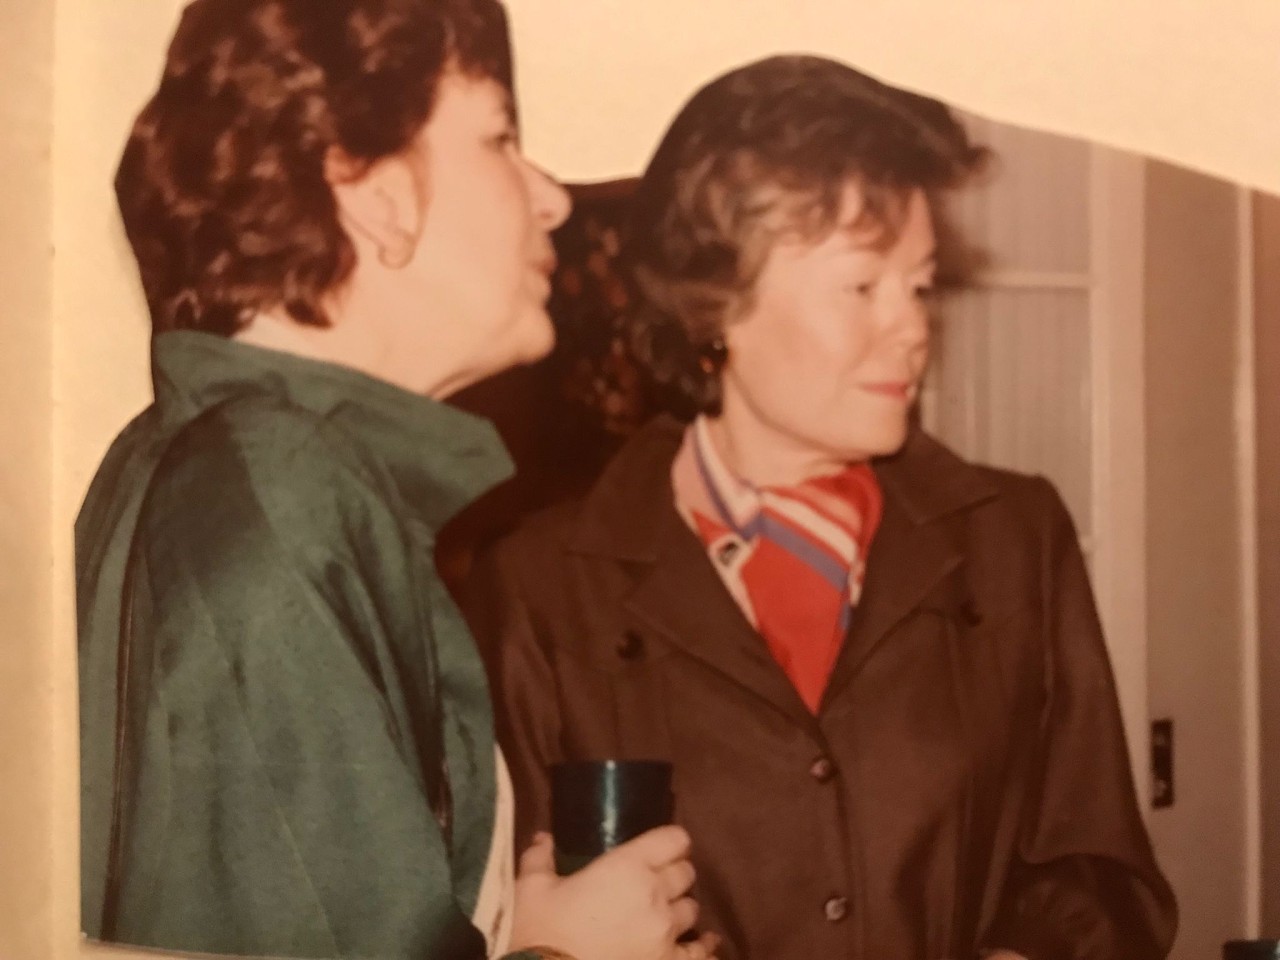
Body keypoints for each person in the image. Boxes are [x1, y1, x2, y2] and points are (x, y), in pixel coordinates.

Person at [465, 55, 1179, 960]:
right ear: (716, 302)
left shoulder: (1013, 539)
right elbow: (498, 916)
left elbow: (1103, 881)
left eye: (918, 286)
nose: (912, 328)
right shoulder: (542, 588)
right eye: (862, 287)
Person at [75, 1, 709, 958]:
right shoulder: (273, 492)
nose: (553, 199)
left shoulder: (257, 468)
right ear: (377, 196)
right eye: (500, 138)